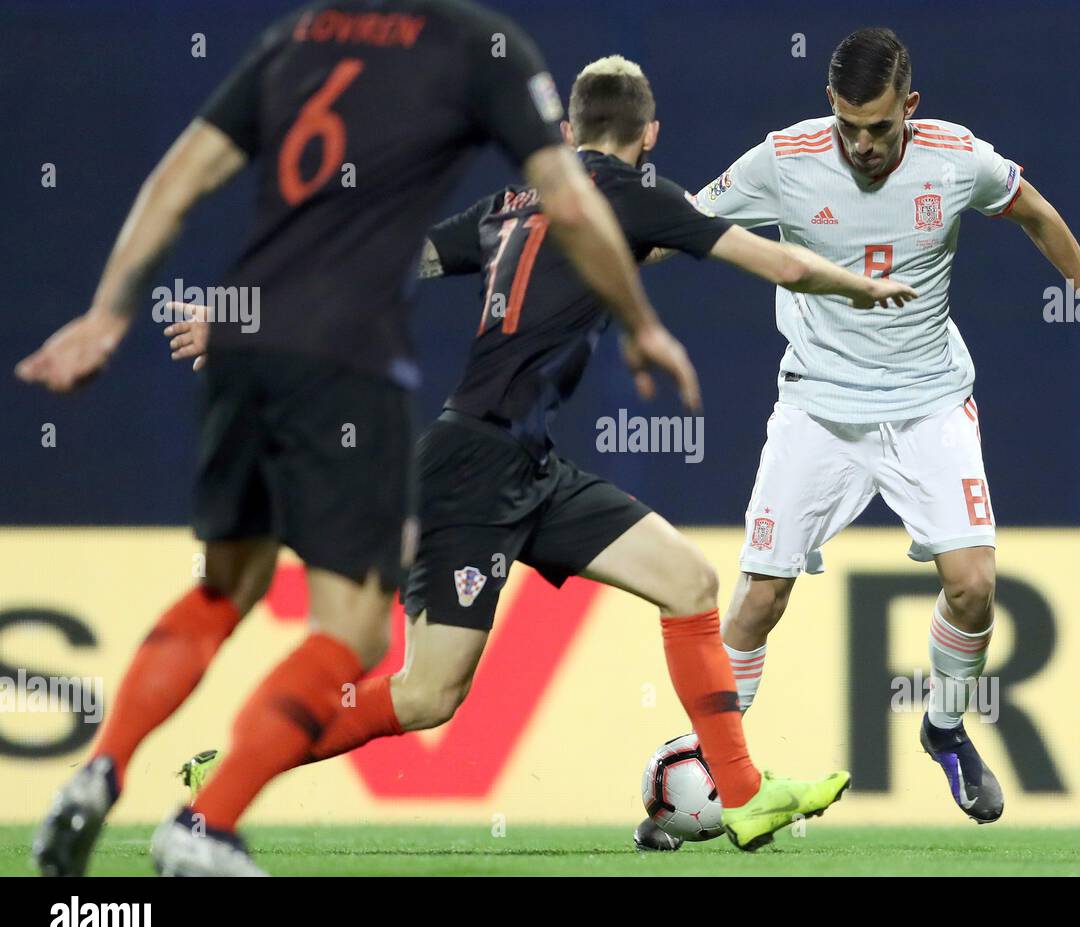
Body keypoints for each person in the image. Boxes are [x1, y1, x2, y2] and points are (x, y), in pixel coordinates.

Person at [163, 54, 920, 854]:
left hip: (528, 464)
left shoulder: (507, 205)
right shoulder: (638, 197)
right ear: (649, 135)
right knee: (426, 696)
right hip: (473, 469)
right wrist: (863, 289)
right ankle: (242, 767)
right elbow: (783, 262)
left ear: (567, 132)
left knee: (689, 581)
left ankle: (744, 794)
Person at [19, 1, 700, 877]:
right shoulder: (474, 47)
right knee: (355, 631)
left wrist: (108, 316)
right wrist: (642, 322)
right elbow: (570, 200)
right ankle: (208, 822)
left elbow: (179, 176)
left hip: (248, 336)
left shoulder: (296, 38)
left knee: (224, 591)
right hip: (351, 366)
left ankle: (101, 767)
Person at [655, 26, 1080, 847]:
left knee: (974, 583)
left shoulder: (956, 158)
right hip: (818, 406)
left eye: (880, 129)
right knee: (757, 601)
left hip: (928, 403)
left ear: (911, 111)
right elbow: (678, 224)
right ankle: (693, 782)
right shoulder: (784, 161)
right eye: (848, 127)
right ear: (831, 107)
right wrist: (584, 257)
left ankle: (945, 730)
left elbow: (1035, 212)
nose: (861, 145)